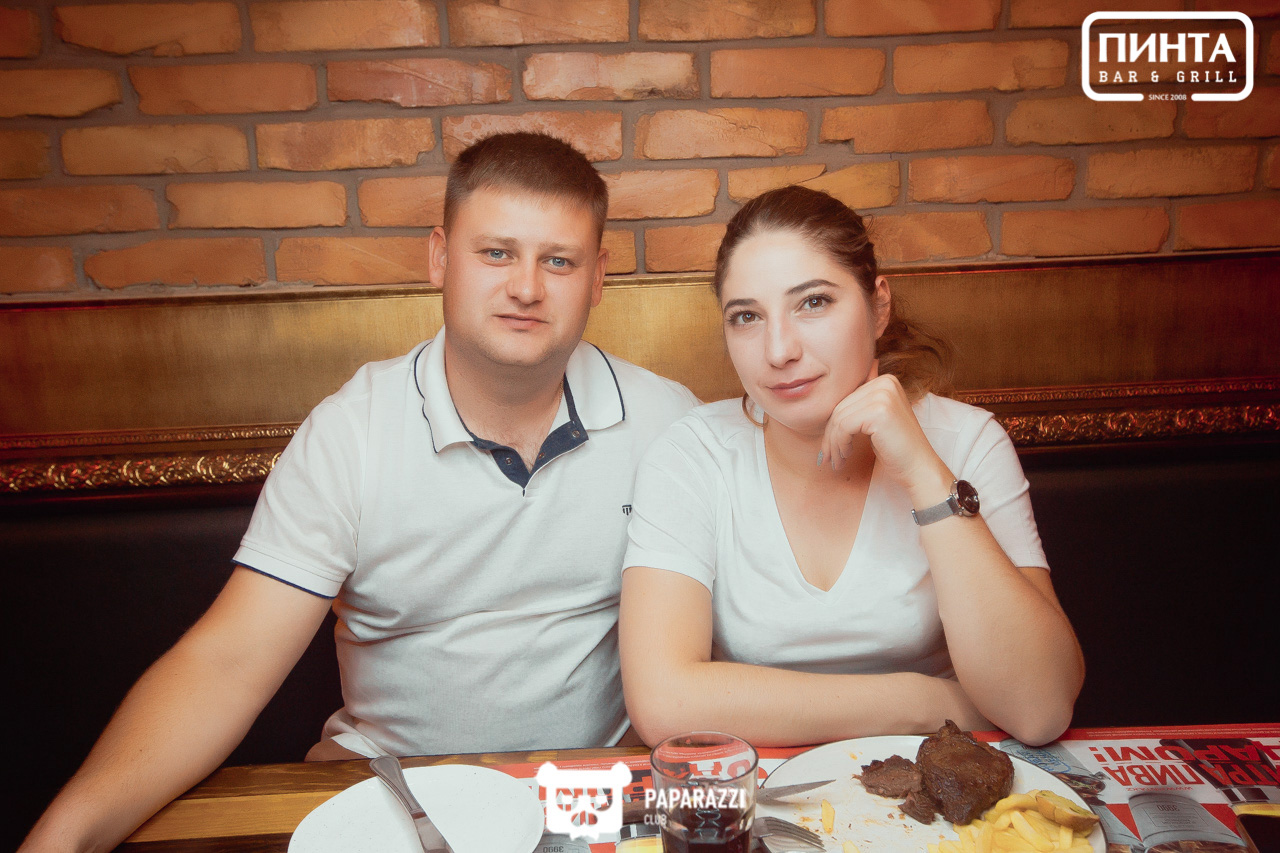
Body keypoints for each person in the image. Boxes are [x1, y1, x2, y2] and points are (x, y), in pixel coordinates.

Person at [21, 132, 697, 852]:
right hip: (392, 804)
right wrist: (64, 839)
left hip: (594, 805)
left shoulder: (668, 423)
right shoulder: (353, 432)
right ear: (440, 257)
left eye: (558, 260)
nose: (526, 287)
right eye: (497, 253)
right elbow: (226, 664)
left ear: (598, 277)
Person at [619, 186, 1084, 749]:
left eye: (813, 302)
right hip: (767, 785)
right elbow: (664, 703)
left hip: (938, 784)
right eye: (746, 316)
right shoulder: (693, 454)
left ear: (878, 306)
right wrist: (928, 703)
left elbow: (1040, 709)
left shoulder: (966, 441)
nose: (779, 351)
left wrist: (924, 473)